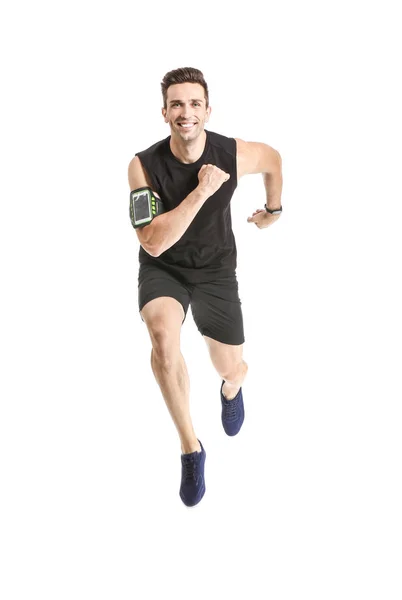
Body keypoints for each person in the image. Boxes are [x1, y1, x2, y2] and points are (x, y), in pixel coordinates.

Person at [128, 67, 283, 507]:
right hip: (166, 269)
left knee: (230, 367)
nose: (186, 112)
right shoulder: (143, 166)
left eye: (194, 103)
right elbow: (153, 243)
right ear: (164, 113)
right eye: (177, 103)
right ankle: (191, 448)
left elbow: (272, 158)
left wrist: (273, 209)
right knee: (161, 336)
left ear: (207, 110)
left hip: (216, 270)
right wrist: (201, 191)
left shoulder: (231, 153)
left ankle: (232, 389)